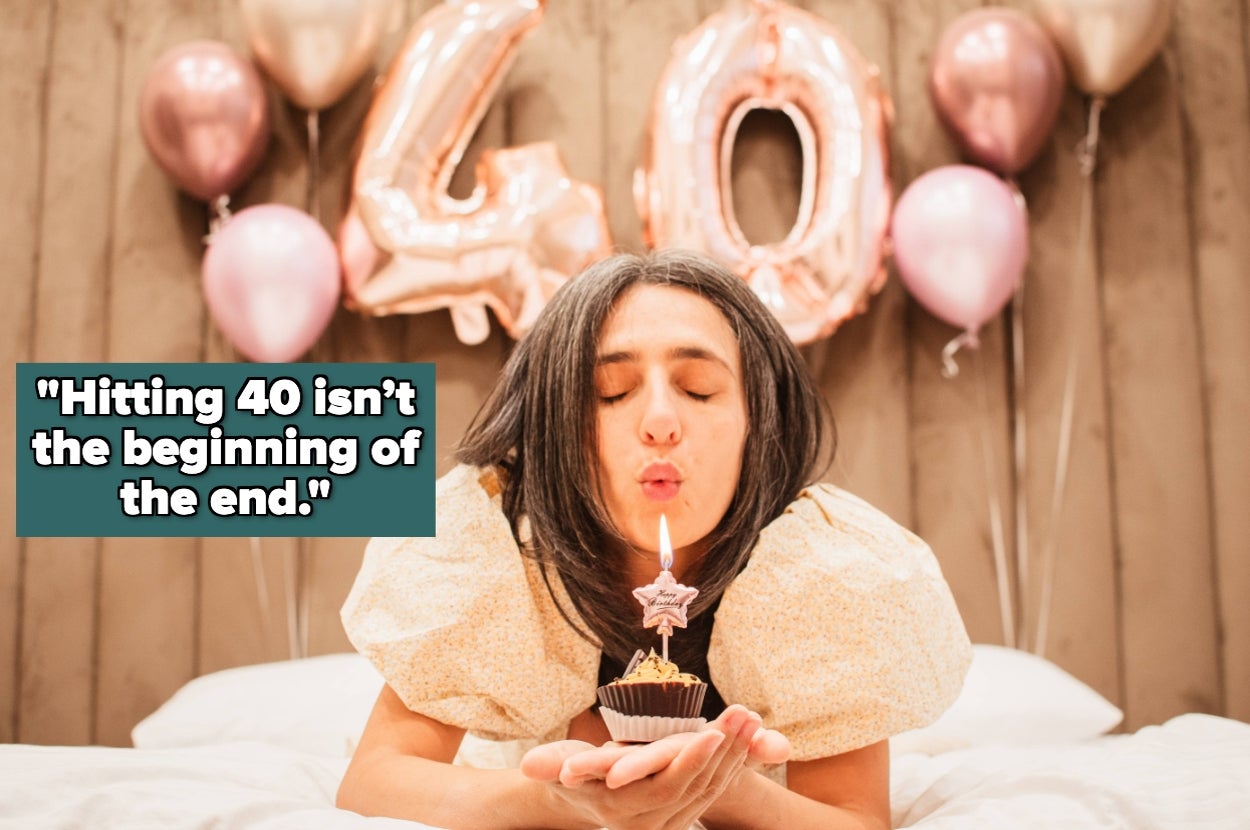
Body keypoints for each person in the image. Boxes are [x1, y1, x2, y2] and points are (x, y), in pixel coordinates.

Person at [338, 249, 971, 830]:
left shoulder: (825, 577)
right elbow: (374, 783)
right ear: (557, 426)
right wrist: (556, 803)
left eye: (699, 389)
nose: (661, 421)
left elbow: (853, 821)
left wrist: (716, 787)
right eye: (610, 393)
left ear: (758, 419)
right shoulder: (499, 558)